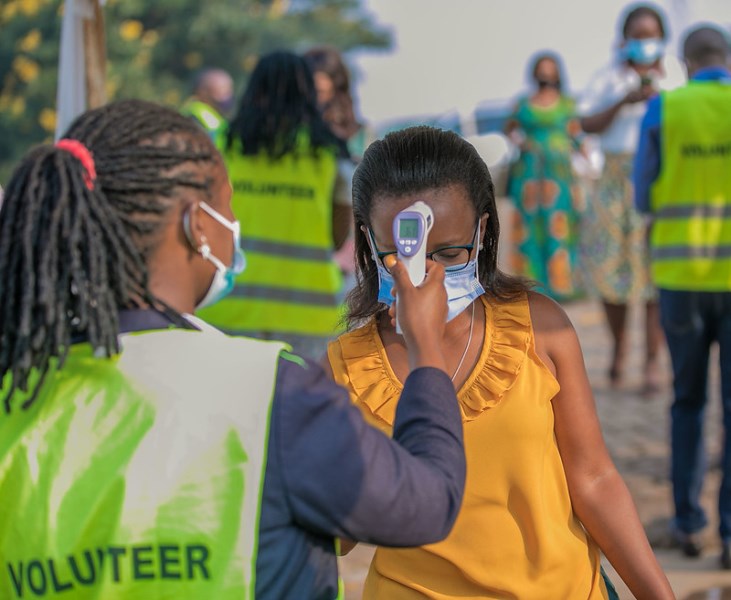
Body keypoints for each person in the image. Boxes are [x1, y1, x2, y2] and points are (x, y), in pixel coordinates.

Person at [0, 100, 468, 599]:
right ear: (196, 225)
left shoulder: (16, 393)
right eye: (228, 205)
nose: (234, 223)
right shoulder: (269, 391)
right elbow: (427, 502)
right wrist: (425, 348)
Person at [328, 126, 674, 599]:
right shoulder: (347, 369)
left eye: (450, 253)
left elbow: (593, 479)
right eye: (400, 255)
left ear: (483, 231)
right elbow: (336, 532)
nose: (426, 274)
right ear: (368, 241)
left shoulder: (539, 328)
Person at [634, 25, 731, 567]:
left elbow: (643, 194)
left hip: (681, 278)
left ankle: (688, 524)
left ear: (687, 62)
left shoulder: (663, 110)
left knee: (688, 401)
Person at [196, 51, 351, 360]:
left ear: (253, 89)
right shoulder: (329, 153)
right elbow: (338, 237)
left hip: (227, 309)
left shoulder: (221, 145)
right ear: (308, 93)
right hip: (309, 318)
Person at [578, 3, 685, 393]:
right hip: (613, 182)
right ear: (624, 41)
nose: (644, 43)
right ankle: (619, 346)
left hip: (659, 181)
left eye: (650, 36)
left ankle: (653, 360)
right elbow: (585, 122)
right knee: (611, 274)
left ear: (662, 39)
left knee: (654, 277)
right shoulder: (608, 78)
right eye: (637, 36)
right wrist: (624, 100)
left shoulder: (675, 78)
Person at [505, 52, 583, 301]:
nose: (546, 75)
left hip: (559, 177)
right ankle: (532, 286)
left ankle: (562, 286)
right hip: (530, 175)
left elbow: (577, 135)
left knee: (559, 227)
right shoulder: (523, 104)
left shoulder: (567, 104)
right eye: (542, 70)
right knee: (530, 229)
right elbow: (509, 128)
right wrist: (521, 142)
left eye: (550, 70)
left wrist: (587, 160)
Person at [181, 67, 235, 141]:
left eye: (229, 90)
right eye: (222, 90)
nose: (227, 96)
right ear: (202, 91)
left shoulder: (217, 117)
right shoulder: (193, 117)